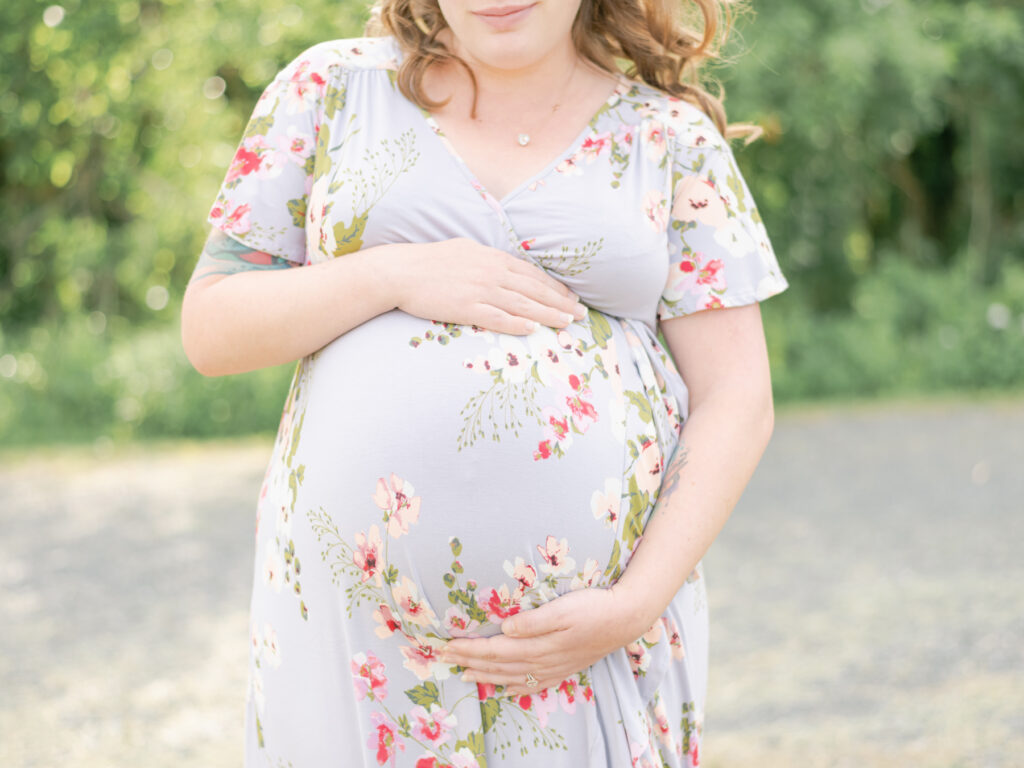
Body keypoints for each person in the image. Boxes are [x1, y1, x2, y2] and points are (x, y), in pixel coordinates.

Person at [180, 0, 788, 765]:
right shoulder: (328, 90)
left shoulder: (668, 139)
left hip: (588, 648)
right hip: (355, 644)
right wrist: (392, 273)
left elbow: (738, 397)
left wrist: (633, 606)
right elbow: (211, 329)